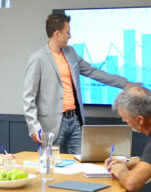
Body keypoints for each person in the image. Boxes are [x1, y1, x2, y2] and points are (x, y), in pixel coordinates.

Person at [22, 13, 139, 154]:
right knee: (54, 166)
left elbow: (93, 72)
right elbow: (28, 97)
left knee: (80, 163)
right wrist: (34, 127)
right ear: (57, 33)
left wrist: (124, 83)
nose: (70, 36)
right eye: (67, 32)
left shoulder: (70, 52)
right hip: (52, 125)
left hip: (76, 120)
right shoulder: (38, 58)